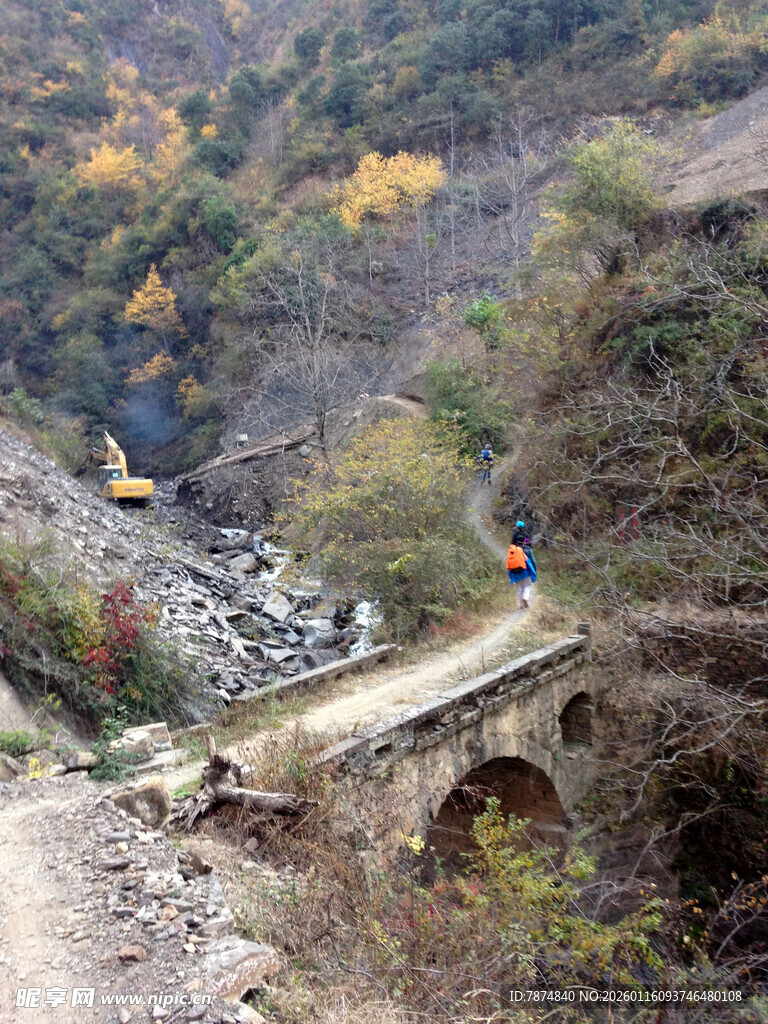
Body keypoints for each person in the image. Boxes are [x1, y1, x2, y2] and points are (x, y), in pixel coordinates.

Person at [506, 539, 537, 610]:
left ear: (516, 543)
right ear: (524, 542)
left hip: (516, 573)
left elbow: (508, 565)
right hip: (525, 572)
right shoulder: (523, 551)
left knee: (519, 588)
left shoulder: (512, 552)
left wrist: (510, 576)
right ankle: (525, 598)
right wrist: (533, 571)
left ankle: (521, 605)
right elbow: (529, 562)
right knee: (527, 586)